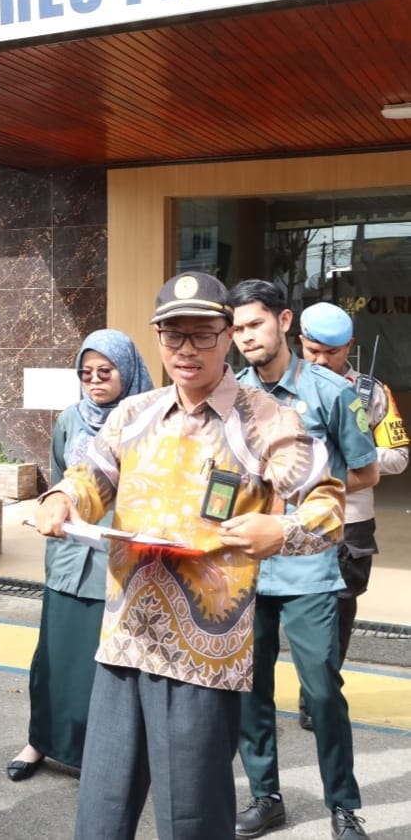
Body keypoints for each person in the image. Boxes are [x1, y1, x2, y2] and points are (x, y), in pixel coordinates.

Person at [34, 271, 344, 840]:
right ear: (157, 339)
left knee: (191, 815)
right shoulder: (135, 413)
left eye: (202, 335)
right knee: (101, 807)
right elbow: (91, 477)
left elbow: (326, 507)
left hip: (204, 652)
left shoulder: (266, 418)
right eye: (173, 336)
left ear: (227, 335)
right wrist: (60, 498)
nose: (187, 350)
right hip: (125, 634)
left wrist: (281, 530)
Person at [229, 280, 377, 840]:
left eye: (256, 325)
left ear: (284, 321)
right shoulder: (231, 393)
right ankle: (265, 795)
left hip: (309, 564)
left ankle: (343, 804)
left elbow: (362, 469)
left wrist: (310, 483)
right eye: (238, 329)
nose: (246, 338)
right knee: (250, 686)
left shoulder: (331, 392)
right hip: (245, 566)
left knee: (320, 689)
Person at [7, 330, 152, 783]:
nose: (94, 381)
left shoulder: (148, 421)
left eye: (105, 372)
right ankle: (40, 740)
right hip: (69, 562)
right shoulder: (70, 419)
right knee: (53, 657)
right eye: (86, 373)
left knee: (106, 666)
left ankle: (104, 753)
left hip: (120, 564)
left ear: (126, 372)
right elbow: (58, 479)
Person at [298, 302, 408, 675]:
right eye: (313, 351)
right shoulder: (285, 386)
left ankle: (319, 696)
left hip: (351, 521)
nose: (323, 360)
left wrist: (355, 454)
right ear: (300, 342)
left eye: (333, 352)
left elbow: (399, 456)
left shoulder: (371, 392)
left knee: (340, 612)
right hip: (294, 516)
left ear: (350, 346)